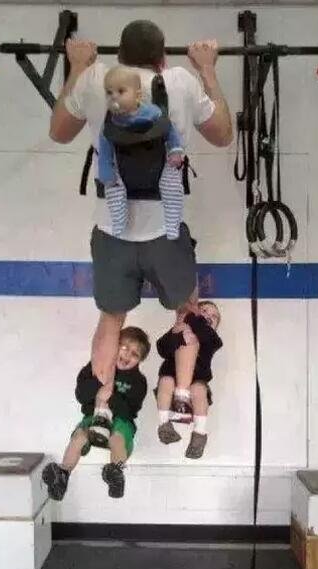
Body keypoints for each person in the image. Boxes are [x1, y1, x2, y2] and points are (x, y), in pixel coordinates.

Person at [49, 21, 232, 409]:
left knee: (110, 320)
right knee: (188, 309)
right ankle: (183, 394)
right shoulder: (180, 81)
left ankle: (99, 411)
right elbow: (222, 134)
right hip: (166, 231)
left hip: (111, 230)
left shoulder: (98, 79)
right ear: (163, 59)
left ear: (119, 56)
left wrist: (78, 66)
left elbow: (59, 132)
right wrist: (207, 69)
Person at [42, 326, 150, 500]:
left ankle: (116, 474)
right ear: (114, 346)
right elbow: (81, 395)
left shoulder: (138, 382)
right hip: (93, 418)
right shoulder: (95, 367)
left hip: (119, 422)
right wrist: (99, 386)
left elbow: (130, 410)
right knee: (79, 437)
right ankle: (63, 474)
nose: (127, 355)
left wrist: (110, 397)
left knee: (118, 439)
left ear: (139, 360)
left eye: (135, 354)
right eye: (124, 347)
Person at [99, 65, 185, 239]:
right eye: (109, 92)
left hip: (157, 162)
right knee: (112, 186)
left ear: (137, 95)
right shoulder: (111, 123)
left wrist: (175, 151)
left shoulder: (153, 113)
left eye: (120, 91)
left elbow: (169, 130)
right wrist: (106, 171)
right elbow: (105, 149)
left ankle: (172, 224)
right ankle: (118, 222)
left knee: (173, 184)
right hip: (124, 165)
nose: (114, 96)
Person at [156, 300, 222, 459]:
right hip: (172, 381)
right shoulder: (179, 329)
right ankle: (164, 425)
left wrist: (189, 315)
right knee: (165, 381)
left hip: (197, 383)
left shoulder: (212, 339)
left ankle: (199, 434)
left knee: (199, 390)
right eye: (204, 311)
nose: (208, 316)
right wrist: (179, 336)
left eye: (214, 316)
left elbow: (204, 334)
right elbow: (162, 347)